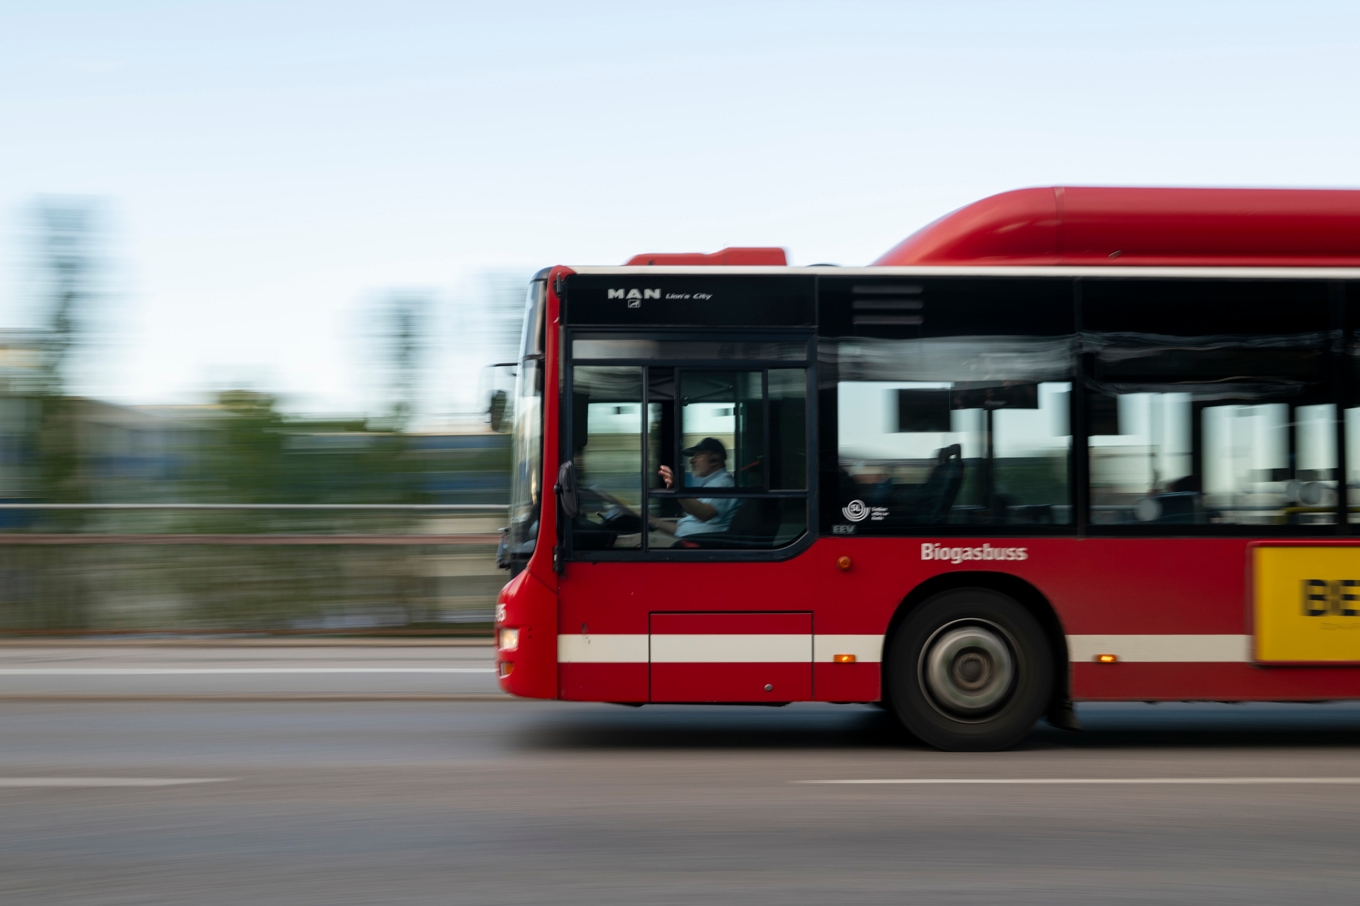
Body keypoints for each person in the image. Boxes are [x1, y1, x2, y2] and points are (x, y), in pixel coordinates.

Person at [652, 437, 738, 538]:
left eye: (698, 455)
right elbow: (685, 528)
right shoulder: (711, 484)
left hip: (706, 545)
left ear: (715, 459)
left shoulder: (723, 483)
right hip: (694, 540)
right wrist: (652, 521)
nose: (692, 461)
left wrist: (677, 489)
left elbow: (705, 514)